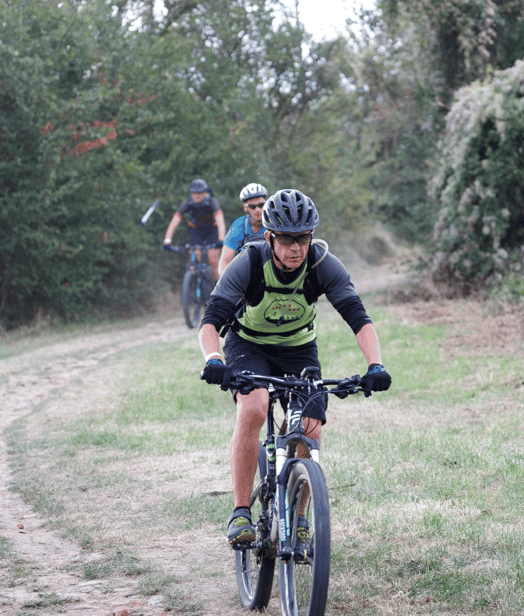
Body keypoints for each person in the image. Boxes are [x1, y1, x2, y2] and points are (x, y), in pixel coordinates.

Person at [196, 188, 392, 547]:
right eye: (287, 239)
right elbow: (210, 321)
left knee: (311, 430)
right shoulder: (250, 263)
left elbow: (359, 318)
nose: (296, 248)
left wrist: (375, 365)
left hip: (299, 350)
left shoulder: (322, 264)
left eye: (303, 238)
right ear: (269, 237)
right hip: (248, 345)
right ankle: (241, 512)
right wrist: (214, 359)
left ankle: (299, 515)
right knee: (254, 407)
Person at [163, 178, 227, 279]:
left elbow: (220, 221)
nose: (197, 195)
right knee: (194, 256)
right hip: (196, 230)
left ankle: (219, 286)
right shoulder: (187, 203)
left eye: (200, 193)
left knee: (213, 259)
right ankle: (191, 285)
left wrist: (221, 240)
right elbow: (174, 222)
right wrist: (167, 240)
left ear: (205, 192)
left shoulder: (212, 201)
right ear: (191, 193)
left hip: (211, 230)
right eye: (194, 193)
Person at [218, 182, 269, 278]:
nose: (257, 210)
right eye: (252, 207)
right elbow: (225, 260)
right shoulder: (239, 225)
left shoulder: (274, 224)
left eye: (261, 205)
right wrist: (225, 282)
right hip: (246, 275)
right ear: (245, 207)